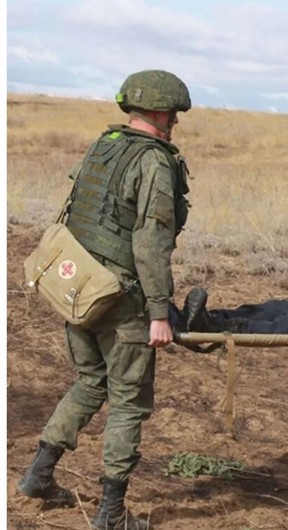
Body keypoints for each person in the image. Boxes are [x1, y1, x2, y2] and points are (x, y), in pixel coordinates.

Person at [17, 70, 193, 530]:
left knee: (90, 382)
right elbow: (151, 243)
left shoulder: (103, 145)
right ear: (158, 111)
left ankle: (38, 475)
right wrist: (159, 312)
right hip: (122, 302)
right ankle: (111, 514)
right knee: (129, 403)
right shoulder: (155, 162)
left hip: (78, 290)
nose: (174, 121)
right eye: (172, 113)